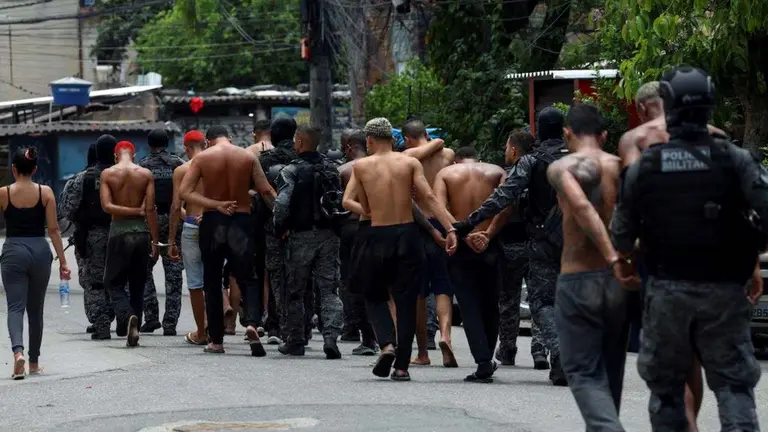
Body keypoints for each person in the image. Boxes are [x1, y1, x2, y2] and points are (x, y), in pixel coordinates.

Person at [611, 66, 766, 431]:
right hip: (725, 290)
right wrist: (749, 248)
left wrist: (626, 259)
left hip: (666, 291)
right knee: (733, 386)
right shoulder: (733, 158)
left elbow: (621, 231)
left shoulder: (645, 164)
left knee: (666, 391)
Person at [619, 80, 730, 431]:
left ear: (641, 107)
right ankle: (690, 420)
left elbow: (634, 202)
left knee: (671, 354)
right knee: (694, 355)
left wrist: (624, 254)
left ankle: (687, 425)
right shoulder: (715, 135)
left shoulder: (636, 139)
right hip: (713, 258)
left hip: (662, 260)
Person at [453, 106, 569, 386]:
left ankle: (560, 353)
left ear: (539, 130)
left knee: (542, 301)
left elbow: (504, 196)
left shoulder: (531, 161)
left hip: (544, 242)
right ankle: (562, 364)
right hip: (581, 242)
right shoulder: (581, 158)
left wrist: (471, 221)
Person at [343, 117, 458, 381]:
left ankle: (386, 344)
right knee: (406, 300)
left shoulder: (361, 166)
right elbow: (429, 197)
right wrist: (451, 229)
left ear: (369, 140)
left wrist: (367, 210)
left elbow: (347, 201)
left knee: (373, 294)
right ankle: (402, 367)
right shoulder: (409, 162)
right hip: (407, 234)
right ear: (391, 139)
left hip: (375, 234)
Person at [544, 103, 636, 429]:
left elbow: (582, 207)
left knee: (582, 371)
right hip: (619, 282)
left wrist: (609, 256)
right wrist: (623, 260)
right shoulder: (623, 166)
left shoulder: (560, 167)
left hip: (578, 278)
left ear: (567, 133)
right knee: (611, 370)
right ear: (605, 135)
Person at [179, 125, 276, 355]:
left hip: (213, 222)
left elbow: (185, 192)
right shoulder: (247, 156)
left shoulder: (203, 158)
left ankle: (216, 340)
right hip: (241, 222)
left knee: (212, 280)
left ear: (209, 141)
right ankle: (252, 323)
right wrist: (280, 218)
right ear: (229, 139)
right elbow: (266, 191)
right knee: (248, 277)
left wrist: (215, 204)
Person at [433, 146, 507, 382]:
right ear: (479, 159)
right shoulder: (496, 171)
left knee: (468, 304)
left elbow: (439, 207)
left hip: (460, 245)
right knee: (491, 302)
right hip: (491, 244)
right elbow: (508, 203)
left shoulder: (446, 174)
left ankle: (483, 361)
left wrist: (461, 233)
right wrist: (488, 234)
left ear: (456, 162)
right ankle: (487, 357)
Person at [272, 125, 345, 358]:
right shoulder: (332, 169)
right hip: (329, 237)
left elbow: (282, 204)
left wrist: (280, 227)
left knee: (295, 290)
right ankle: (331, 338)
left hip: (301, 237)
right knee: (329, 289)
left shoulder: (291, 170)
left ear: (300, 142)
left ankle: (296, 339)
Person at [2, 147, 70, 379]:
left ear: (13, 169)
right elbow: (53, 229)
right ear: (35, 170)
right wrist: (63, 261)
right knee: (35, 310)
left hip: (13, 251)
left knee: (14, 307)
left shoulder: (3, 193)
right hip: (40, 251)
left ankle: (18, 353)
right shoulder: (46, 192)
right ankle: (33, 362)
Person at [488, 131, 548, 368]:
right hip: (536, 243)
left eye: (506, 147)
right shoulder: (542, 173)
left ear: (514, 150)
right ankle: (539, 350)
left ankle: (507, 350)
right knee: (539, 299)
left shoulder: (511, 175)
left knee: (509, 300)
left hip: (511, 244)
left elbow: (504, 206)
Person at [402, 118, 455, 366]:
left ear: (407, 138)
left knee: (420, 293)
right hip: (443, 222)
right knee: (443, 285)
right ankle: (445, 335)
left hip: (420, 223)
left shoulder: (408, 155)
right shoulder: (448, 154)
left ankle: (423, 353)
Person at [99, 141, 160, 347]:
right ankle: (134, 324)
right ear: (133, 154)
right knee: (137, 283)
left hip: (119, 232)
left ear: (116, 155)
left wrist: (132, 211)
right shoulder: (145, 174)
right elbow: (150, 210)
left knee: (112, 282)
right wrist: (154, 240)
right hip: (142, 234)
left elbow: (107, 206)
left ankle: (126, 317)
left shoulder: (108, 174)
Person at [59, 135, 117, 340]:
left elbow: (66, 208)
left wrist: (82, 221)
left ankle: (101, 322)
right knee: (120, 278)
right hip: (123, 232)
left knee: (94, 282)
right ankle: (122, 317)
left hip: (92, 236)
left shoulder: (82, 178)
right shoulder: (128, 175)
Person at [139, 129, 185, 336]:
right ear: (167, 143)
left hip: (150, 221)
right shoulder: (178, 165)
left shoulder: (142, 166)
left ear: (149, 144)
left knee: (144, 269)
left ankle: (151, 318)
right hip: (176, 220)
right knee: (174, 274)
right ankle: (170, 324)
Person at [259, 114, 299, 345]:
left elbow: (259, 191)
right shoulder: (303, 156)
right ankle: (298, 326)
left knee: (275, 275)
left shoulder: (265, 159)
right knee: (302, 277)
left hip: (272, 227)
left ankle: (277, 324)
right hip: (303, 228)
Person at [168, 130, 208, 345]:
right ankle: (216, 329)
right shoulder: (216, 167)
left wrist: (171, 240)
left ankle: (201, 332)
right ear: (206, 143)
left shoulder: (182, 170)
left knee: (195, 283)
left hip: (192, 225)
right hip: (213, 225)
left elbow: (176, 207)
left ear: (186, 148)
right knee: (214, 279)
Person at [58, 142, 97, 333]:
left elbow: (65, 209)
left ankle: (98, 318)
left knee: (89, 278)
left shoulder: (79, 179)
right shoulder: (120, 175)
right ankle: (120, 313)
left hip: (86, 235)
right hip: (117, 234)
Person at [337, 128, 366, 343]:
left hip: (349, 228)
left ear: (349, 148)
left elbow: (337, 206)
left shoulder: (344, 170)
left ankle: (351, 327)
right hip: (375, 227)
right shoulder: (381, 168)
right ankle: (372, 330)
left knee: (347, 279)